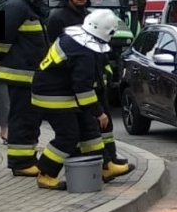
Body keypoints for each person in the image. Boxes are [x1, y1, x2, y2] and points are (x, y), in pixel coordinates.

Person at [46, 0, 133, 180]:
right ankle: (99, 164)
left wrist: (105, 71)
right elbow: (55, 49)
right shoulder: (57, 17)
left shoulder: (89, 15)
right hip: (78, 83)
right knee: (90, 123)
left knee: (105, 123)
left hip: (95, 79)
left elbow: (99, 48)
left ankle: (110, 158)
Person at [30, 10, 117, 190]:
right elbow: (83, 88)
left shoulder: (74, 38)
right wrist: (99, 112)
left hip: (58, 91)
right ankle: (45, 174)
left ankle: (105, 166)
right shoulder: (83, 52)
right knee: (68, 136)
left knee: (88, 128)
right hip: (53, 95)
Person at [0, 0, 52, 175]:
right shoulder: (16, 6)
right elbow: (2, 36)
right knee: (22, 118)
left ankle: (28, 158)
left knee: (32, 118)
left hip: (32, 75)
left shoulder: (31, 6)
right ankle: (20, 164)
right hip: (20, 74)